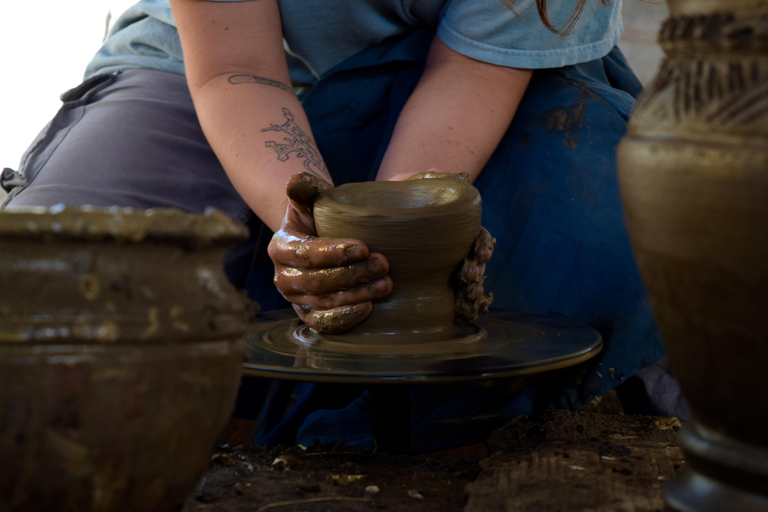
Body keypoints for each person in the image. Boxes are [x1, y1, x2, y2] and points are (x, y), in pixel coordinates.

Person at [1, 0, 687, 451]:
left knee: (601, 265)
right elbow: (239, 68)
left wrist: (399, 227)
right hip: (204, 65)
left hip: (474, 69)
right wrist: (310, 229)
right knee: (52, 305)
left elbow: (469, 75)